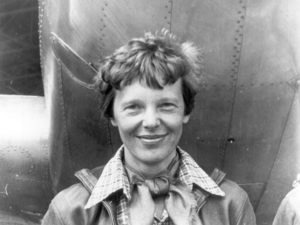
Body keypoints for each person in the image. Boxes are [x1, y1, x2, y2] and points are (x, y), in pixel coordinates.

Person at [42, 29, 256, 225]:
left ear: (186, 111)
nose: (151, 122)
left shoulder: (232, 206)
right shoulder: (69, 212)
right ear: (112, 115)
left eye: (166, 106)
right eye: (133, 107)